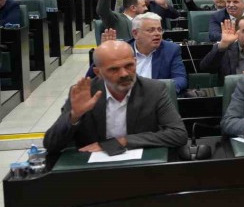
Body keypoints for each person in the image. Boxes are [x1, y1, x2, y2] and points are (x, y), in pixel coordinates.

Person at [43, 40, 187, 155]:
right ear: (98, 72)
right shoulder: (84, 94)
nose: (124, 74)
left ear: (135, 62)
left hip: (140, 168)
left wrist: (122, 141)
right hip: (94, 170)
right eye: (114, 69)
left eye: (129, 65)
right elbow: (51, 145)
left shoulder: (154, 90)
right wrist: (75, 116)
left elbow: (178, 134)